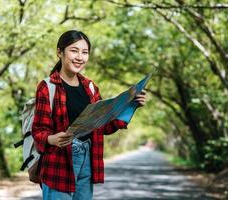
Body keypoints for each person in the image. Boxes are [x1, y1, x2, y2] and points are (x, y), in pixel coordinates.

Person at [32, 30, 146, 200]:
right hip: (59, 162)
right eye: (74, 50)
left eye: (85, 52)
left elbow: (103, 126)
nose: (80, 57)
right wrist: (51, 139)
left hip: (87, 159)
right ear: (59, 52)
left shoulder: (90, 88)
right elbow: (39, 130)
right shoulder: (48, 87)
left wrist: (131, 105)